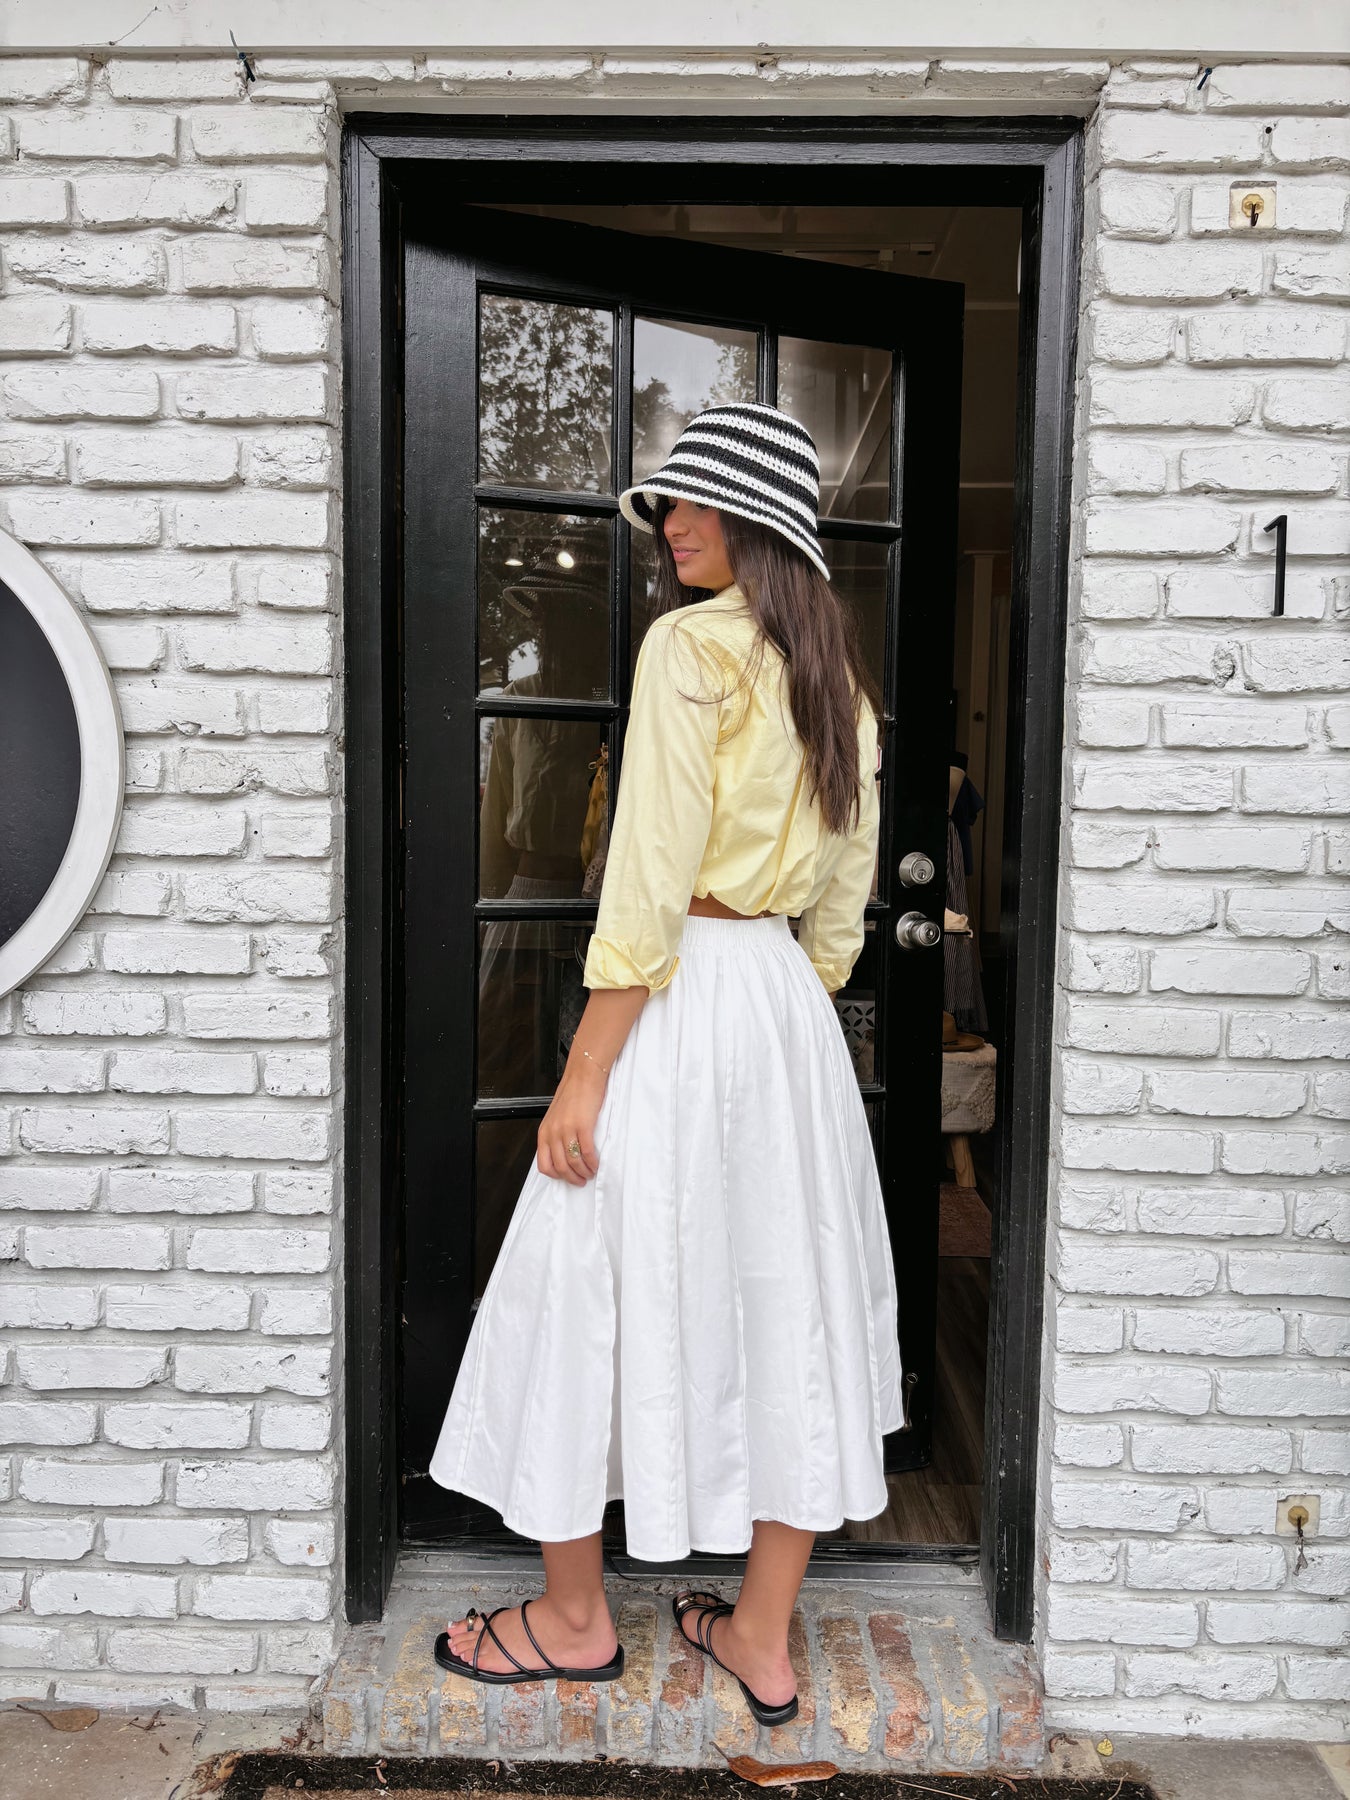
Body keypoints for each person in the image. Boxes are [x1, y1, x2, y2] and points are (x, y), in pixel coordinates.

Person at [428, 402, 905, 1726]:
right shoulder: (844, 692)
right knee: (789, 1302)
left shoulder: (691, 648)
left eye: (692, 503)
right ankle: (760, 1636)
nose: (669, 524)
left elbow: (645, 874)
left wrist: (586, 1070)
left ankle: (574, 1620)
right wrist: (779, 1022)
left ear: (753, 521)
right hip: (781, 1013)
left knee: (578, 1272)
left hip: (680, 990)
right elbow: (841, 912)